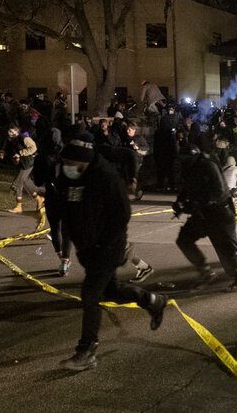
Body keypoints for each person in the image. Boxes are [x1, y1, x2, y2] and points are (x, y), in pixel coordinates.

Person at [57, 130, 168, 371]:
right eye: (66, 161)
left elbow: (122, 214)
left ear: (86, 159)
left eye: (72, 162)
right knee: (112, 291)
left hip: (108, 248)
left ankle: (87, 351)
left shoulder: (105, 177)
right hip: (88, 249)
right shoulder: (71, 174)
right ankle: (153, 301)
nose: (68, 166)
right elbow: (66, 207)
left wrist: (104, 244)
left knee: (90, 295)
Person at [173, 144, 237, 291]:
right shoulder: (189, 167)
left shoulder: (207, 165)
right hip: (203, 213)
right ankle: (205, 272)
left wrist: (196, 203)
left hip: (220, 212)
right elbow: (187, 187)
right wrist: (179, 202)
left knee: (227, 248)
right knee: (184, 239)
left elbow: (219, 192)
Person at [0, 125, 42, 214]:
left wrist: (20, 153)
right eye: (9, 131)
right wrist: (2, 153)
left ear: (17, 131)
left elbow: (33, 148)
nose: (9, 133)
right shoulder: (11, 139)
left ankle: (19, 206)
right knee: (26, 183)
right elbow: (6, 148)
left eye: (11, 131)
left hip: (27, 163)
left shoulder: (24, 138)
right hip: (21, 163)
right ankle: (39, 199)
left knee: (17, 183)